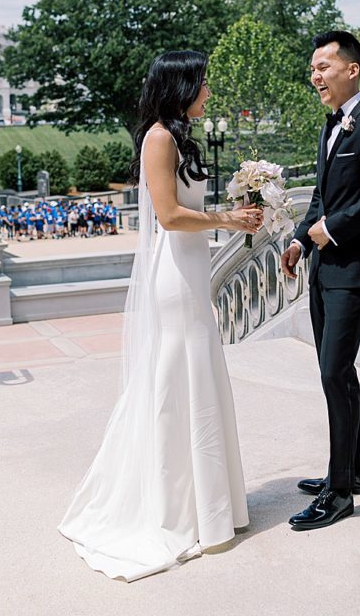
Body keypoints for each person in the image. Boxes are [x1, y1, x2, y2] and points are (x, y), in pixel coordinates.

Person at [59, 50, 262, 580]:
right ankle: (179, 511)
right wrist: (228, 218)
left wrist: (239, 207)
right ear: (180, 87)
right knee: (179, 385)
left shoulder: (179, 139)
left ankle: (210, 507)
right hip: (174, 273)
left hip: (192, 271)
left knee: (200, 379)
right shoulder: (158, 138)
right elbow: (170, 216)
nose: (209, 94)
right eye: (202, 85)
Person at [279, 30, 360, 531]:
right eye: (313, 68)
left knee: (334, 372)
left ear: (351, 69)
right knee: (338, 370)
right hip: (323, 267)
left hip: (356, 270)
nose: (315, 76)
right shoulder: (332, 127)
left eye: (323, 67)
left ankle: (340, 492)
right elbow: (321, 198)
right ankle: (357, 468)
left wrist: (329, 230)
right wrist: (299, 241)